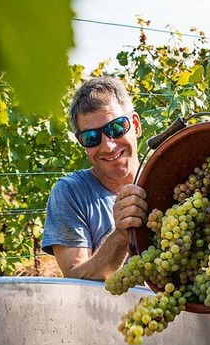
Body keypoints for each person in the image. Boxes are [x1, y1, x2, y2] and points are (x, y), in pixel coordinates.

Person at [41, 76, 148, 280]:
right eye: (92, 137)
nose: (108, 145)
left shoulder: (168, 176)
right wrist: (120, 236)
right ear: (82, 144)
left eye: (116, 128)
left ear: (135, 124)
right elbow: (76, 281)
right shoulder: (71, 193)